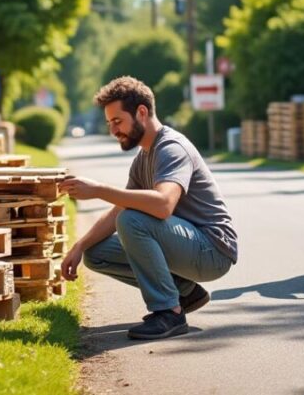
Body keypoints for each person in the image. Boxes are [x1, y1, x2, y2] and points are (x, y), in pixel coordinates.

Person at [58, 76, 237, 340]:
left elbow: (163, 205)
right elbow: (120, 207)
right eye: (109, 123)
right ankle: (184, 291)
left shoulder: (172, 148)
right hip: (187, 245)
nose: (113, 130)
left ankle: (169, 312)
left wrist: (97, 190)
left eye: (117, 121)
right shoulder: (143, 157)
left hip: (212, 250)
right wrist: (79, 246)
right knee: (97, 253)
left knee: (133, 220)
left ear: (141, 112)